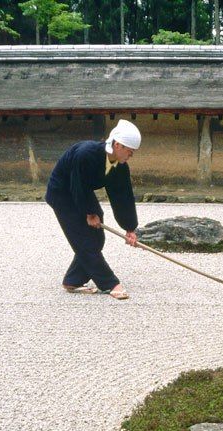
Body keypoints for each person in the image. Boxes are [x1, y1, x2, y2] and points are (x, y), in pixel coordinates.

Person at [45, 119, 141, 300]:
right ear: (118, 145)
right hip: (62, 194)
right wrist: (89, 213)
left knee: (97, 238)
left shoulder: (120, 167)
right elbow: (77, 185)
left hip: (82, 195)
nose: (131, 155)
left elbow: (123, 197)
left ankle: (73, 280)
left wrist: (129, 228)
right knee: (85, 239)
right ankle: (109, 283)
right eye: (130, 151)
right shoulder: (86, 154)